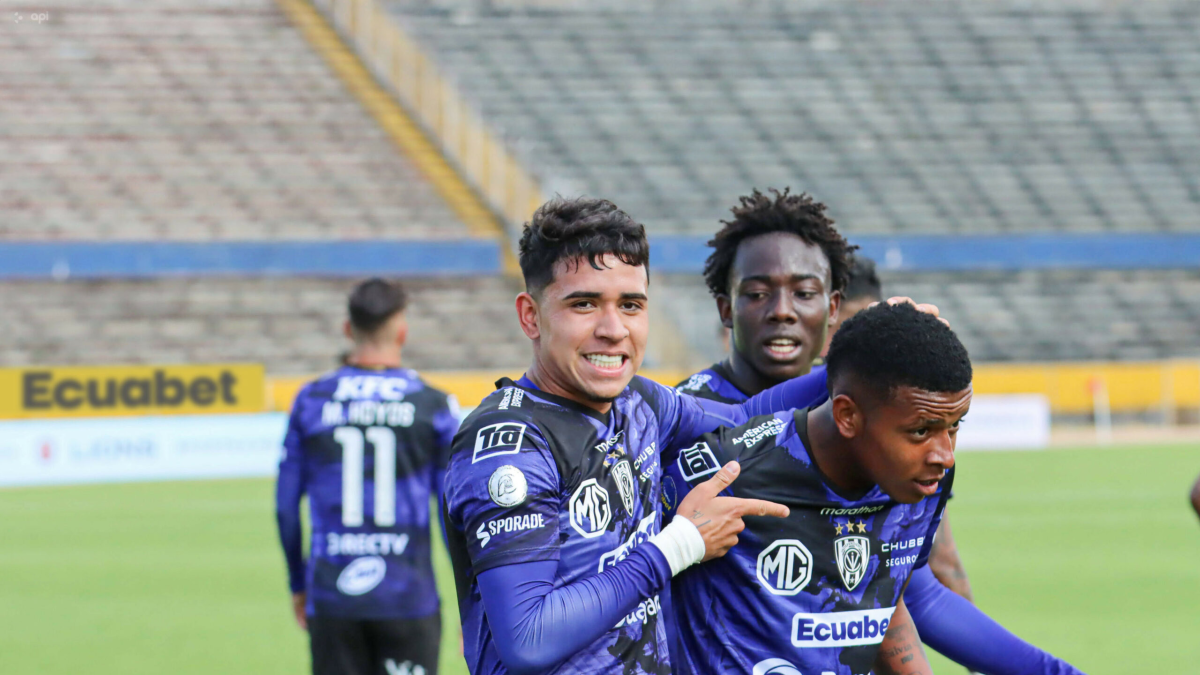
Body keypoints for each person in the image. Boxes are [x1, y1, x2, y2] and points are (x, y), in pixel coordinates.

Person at [442, 197, 839, 675]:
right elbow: (528, 639)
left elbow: (747, 418)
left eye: (630, 305)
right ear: (531, 315)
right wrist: (682, 544)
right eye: (584, 304)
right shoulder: (511, 444)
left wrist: (860, 359)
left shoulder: (640, 403)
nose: (613, 329)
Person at [673, 189, 1033, 673]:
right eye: (758, 293)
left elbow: (909, 585)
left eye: (804, 292)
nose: (783, 310)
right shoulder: (692, 423)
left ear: (834, 306)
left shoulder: (884, 425)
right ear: (725, 307)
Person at [666, 302, 1085, 675]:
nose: (945, 455)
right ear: (848, 416)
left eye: (954, 427)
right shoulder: (729, 471)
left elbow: (903, 594)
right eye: (921, 430)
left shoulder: (919, 477)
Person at [276, 279, 460, 675]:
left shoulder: (311, 401)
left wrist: (298, 583)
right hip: (408, 597)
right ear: (402, 331)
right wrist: (472, 598)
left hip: (332, 594)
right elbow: (452, 512)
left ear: (348, 329)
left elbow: (286, 509)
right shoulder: (434, 405)